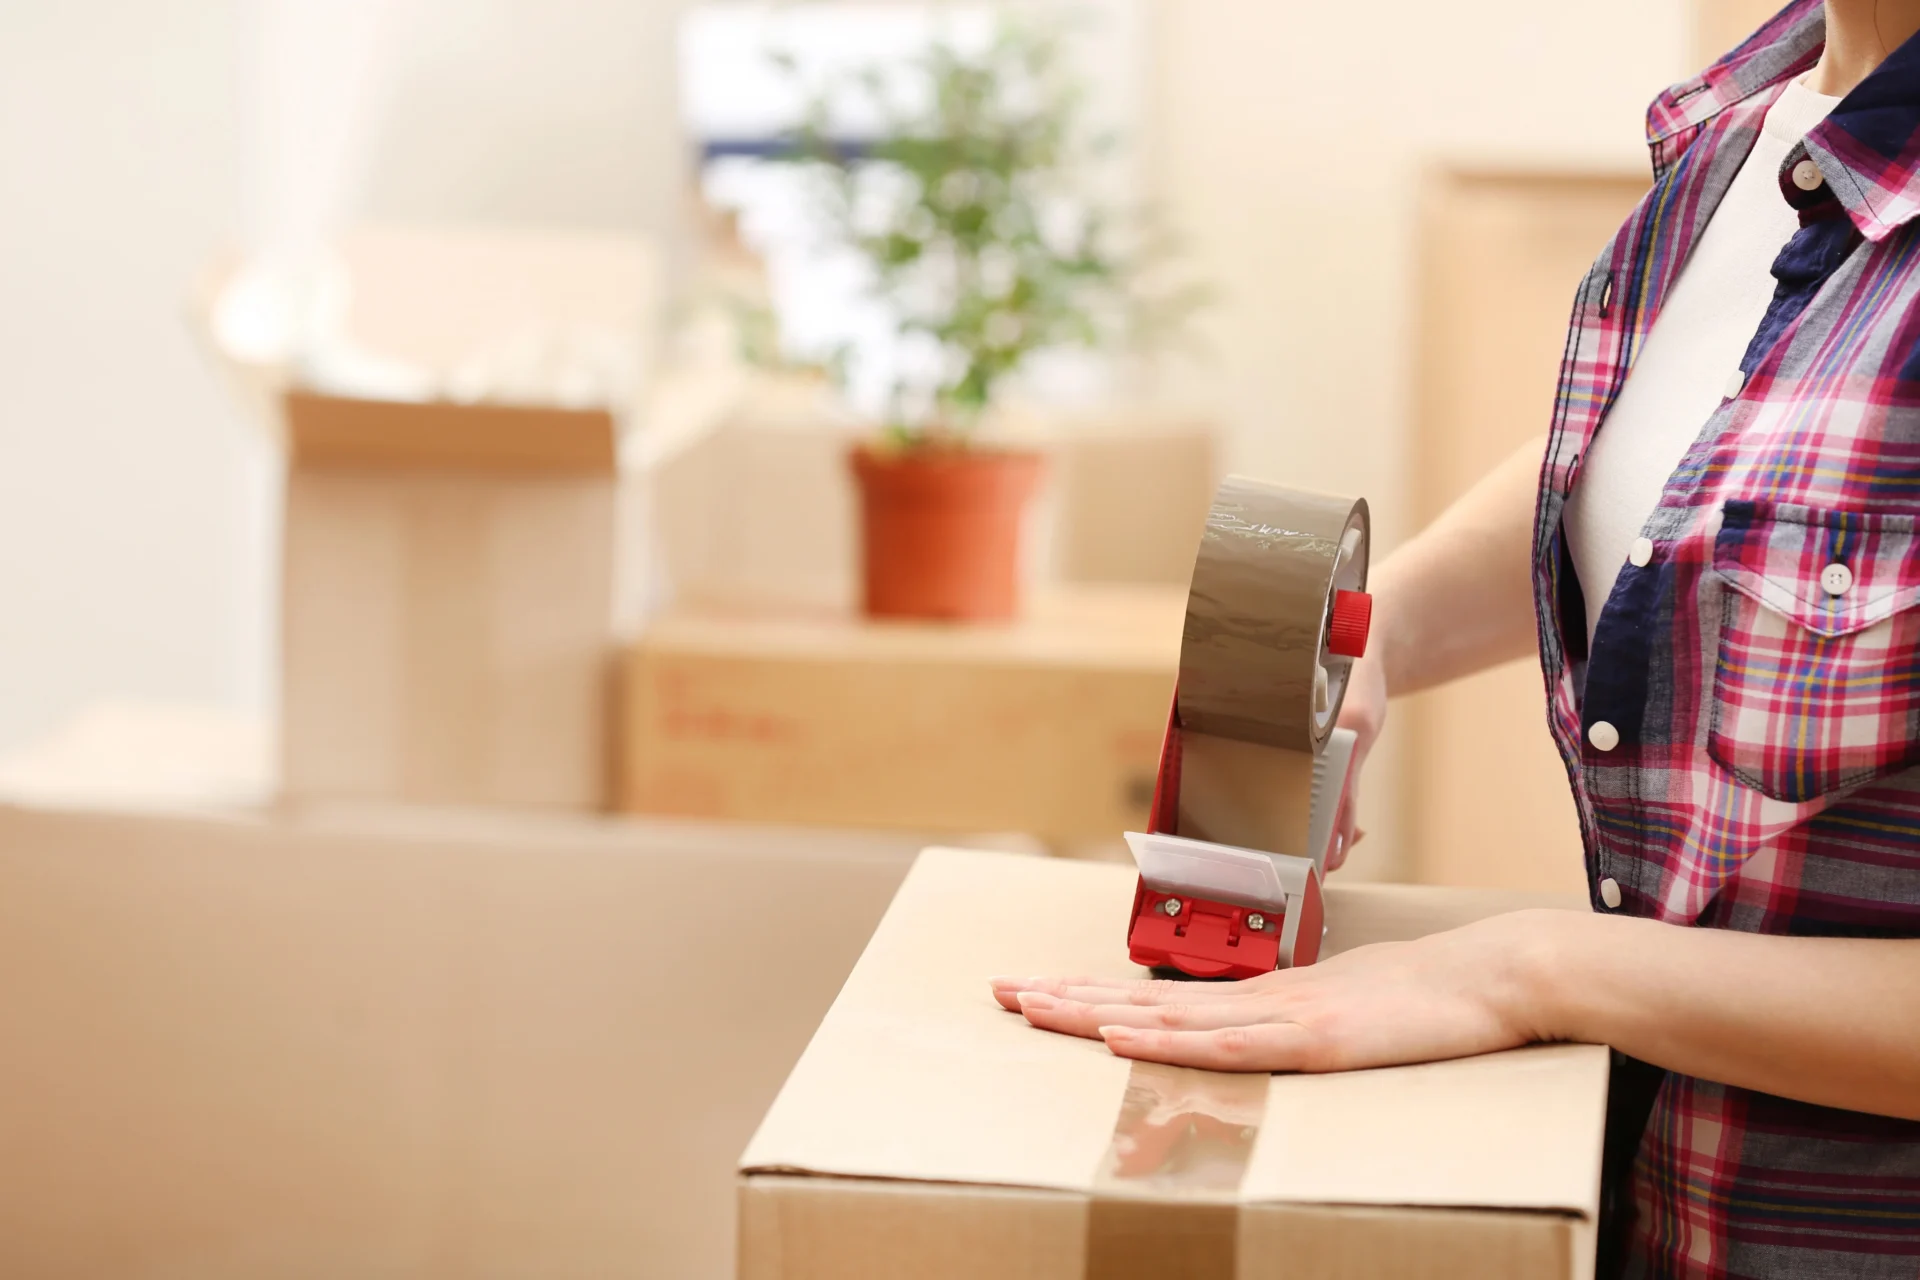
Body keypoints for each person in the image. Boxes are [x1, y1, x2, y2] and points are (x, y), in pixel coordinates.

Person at [990, 1, 1920, 1274]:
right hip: (1656, 1203)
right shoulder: (1749, 116)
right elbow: (1704, 467)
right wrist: (1383, 633)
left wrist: (1531, 970)